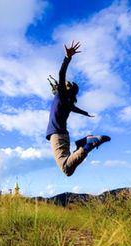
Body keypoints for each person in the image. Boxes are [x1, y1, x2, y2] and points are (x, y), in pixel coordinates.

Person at [46, 41, 111, 176]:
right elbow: (76, 109)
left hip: (57, 135)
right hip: (62, 134)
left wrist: (67, 58)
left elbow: (61, 73)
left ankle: (88, 144)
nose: (64, 83)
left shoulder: (62, 94)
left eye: (66, 83)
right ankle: (84, 142)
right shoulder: (68, 102)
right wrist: (86, 113)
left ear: (67, 88)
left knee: (66, 168)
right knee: (68, 167)